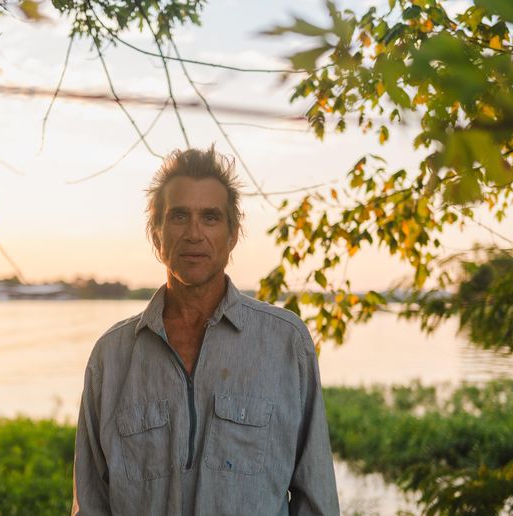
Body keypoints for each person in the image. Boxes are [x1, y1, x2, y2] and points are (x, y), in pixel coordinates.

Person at [72, 147, 340, 515]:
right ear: (156, 234)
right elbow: (90, 505)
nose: (194, 233)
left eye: (210, 217)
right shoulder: (112, 356)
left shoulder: (285, 343)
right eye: (179, 216)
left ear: (232, 235)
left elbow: (316, 498)